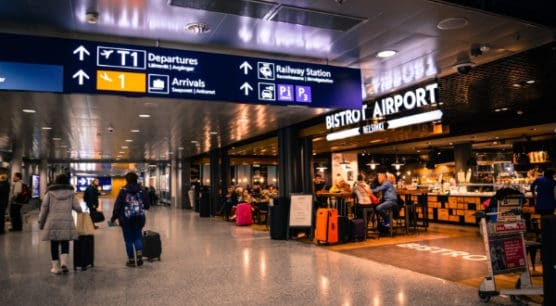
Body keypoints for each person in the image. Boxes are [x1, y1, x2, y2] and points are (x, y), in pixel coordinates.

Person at [38, 174, 82, 274]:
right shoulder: (71, 193)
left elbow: (44, 209)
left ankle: (55, 268)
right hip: (66, 221)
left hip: (52, 222)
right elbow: (78, 208)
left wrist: (41, 222)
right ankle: (64, 263)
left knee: (54, 244)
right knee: (65, 242)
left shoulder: (49, 193)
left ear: (56, 181)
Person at [110, 172, 150, 267]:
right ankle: (139, 254)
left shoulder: (123, 191)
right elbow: (147, 205)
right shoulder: (141, 190)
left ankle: (131, 260)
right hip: (139, 218)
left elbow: (118, 206)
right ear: (136, 179)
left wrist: (113, 217)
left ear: (127, 180)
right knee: (137, 237)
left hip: (125, 219)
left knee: (128, 240)